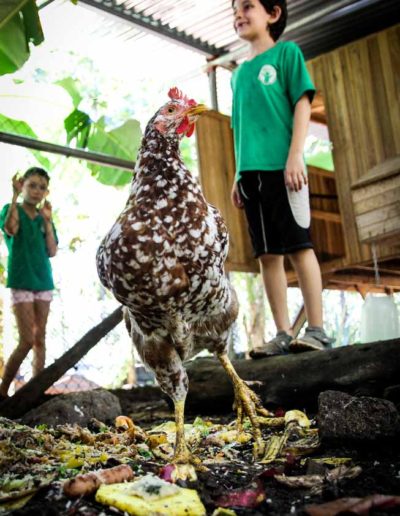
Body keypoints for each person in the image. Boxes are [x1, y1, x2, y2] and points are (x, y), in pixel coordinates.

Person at [230, 0, 334, 357]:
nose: (238, 14)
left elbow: (302, 103)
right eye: (234, 10)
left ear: (273, 14)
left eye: (247, 6)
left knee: (299, 246)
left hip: (284, 169)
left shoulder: (287, 54)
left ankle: (317, 330)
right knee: (267, 255)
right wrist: (237, 175)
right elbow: (239, 128)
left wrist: (295, 156)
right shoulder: (238, 74)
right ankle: (283, 333)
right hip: (250, 175)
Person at [0, 167, 58, 398]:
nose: (36, 191)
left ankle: (36, 392)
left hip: (43, 281)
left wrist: (48, 221)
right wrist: (14, 197)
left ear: (46, 191)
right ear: (22, 186)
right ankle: (3, 390)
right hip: (22, 280)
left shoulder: (43, 218)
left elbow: (52, 250)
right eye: (32, 185)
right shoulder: (11, 209)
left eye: (41, 187)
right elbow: (10, 229)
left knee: (40, 339)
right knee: (26, 340)